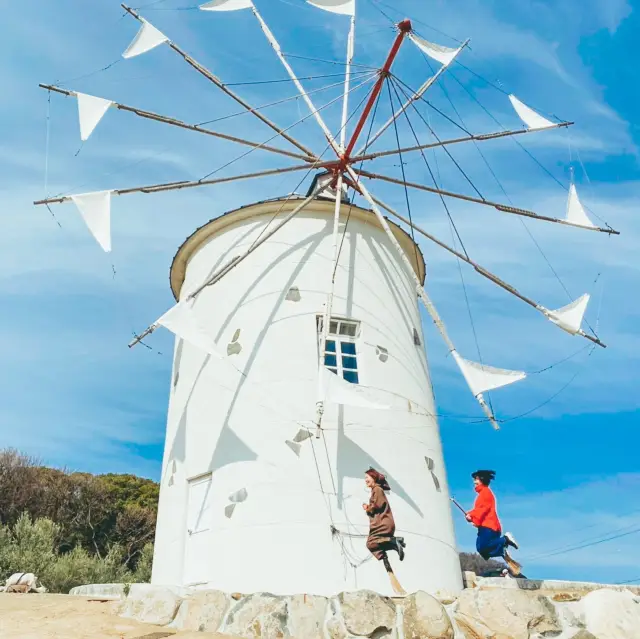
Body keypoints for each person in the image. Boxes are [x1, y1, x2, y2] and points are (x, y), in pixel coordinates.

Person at [465, 469, 522, 575]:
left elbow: (483, 509)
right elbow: (481, 511)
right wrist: (474, 520)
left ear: (482, 479)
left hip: (490, 526)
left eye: (476, 479)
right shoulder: (483, 493)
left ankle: (505, 539)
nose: (474, 482)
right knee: (481, 549)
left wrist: (471, 515)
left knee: (483, 547)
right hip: (486, 526)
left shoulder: (485, 493)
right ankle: (501, 549)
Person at [363, 467, 406, 593]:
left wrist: (368, 508)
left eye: (367, 478)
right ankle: (393, 545)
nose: (365, 481)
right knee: (372, 544)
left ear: (374, 478)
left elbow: (378, 504)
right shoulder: (376, 490)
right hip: (383, 523)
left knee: (371, 543)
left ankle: (393, 542)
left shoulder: (377, 489)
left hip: (382, 524)